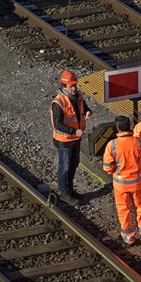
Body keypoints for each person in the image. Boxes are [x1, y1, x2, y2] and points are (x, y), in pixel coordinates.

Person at [103, 116, 141, 246]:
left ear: (117, 128)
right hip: (137, 182)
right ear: (129, 126)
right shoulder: (139, 142)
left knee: (123, 210)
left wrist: (115, 169)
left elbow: (107, 168)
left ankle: (129, 238)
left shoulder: (112, 145)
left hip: (121, 185)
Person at [50, 70, 92, 206]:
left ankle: (69, 190)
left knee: (73, 165)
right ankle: (65, 193)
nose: (74, 88)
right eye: (71, 86)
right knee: (65, 167)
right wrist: (75, 131)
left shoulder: (78, 96)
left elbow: (83, 106)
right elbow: (57, 125)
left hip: (75, 138)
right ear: (64, 86)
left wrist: (87, 110)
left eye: (75, 85)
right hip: (64, 141)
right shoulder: (58, 103)